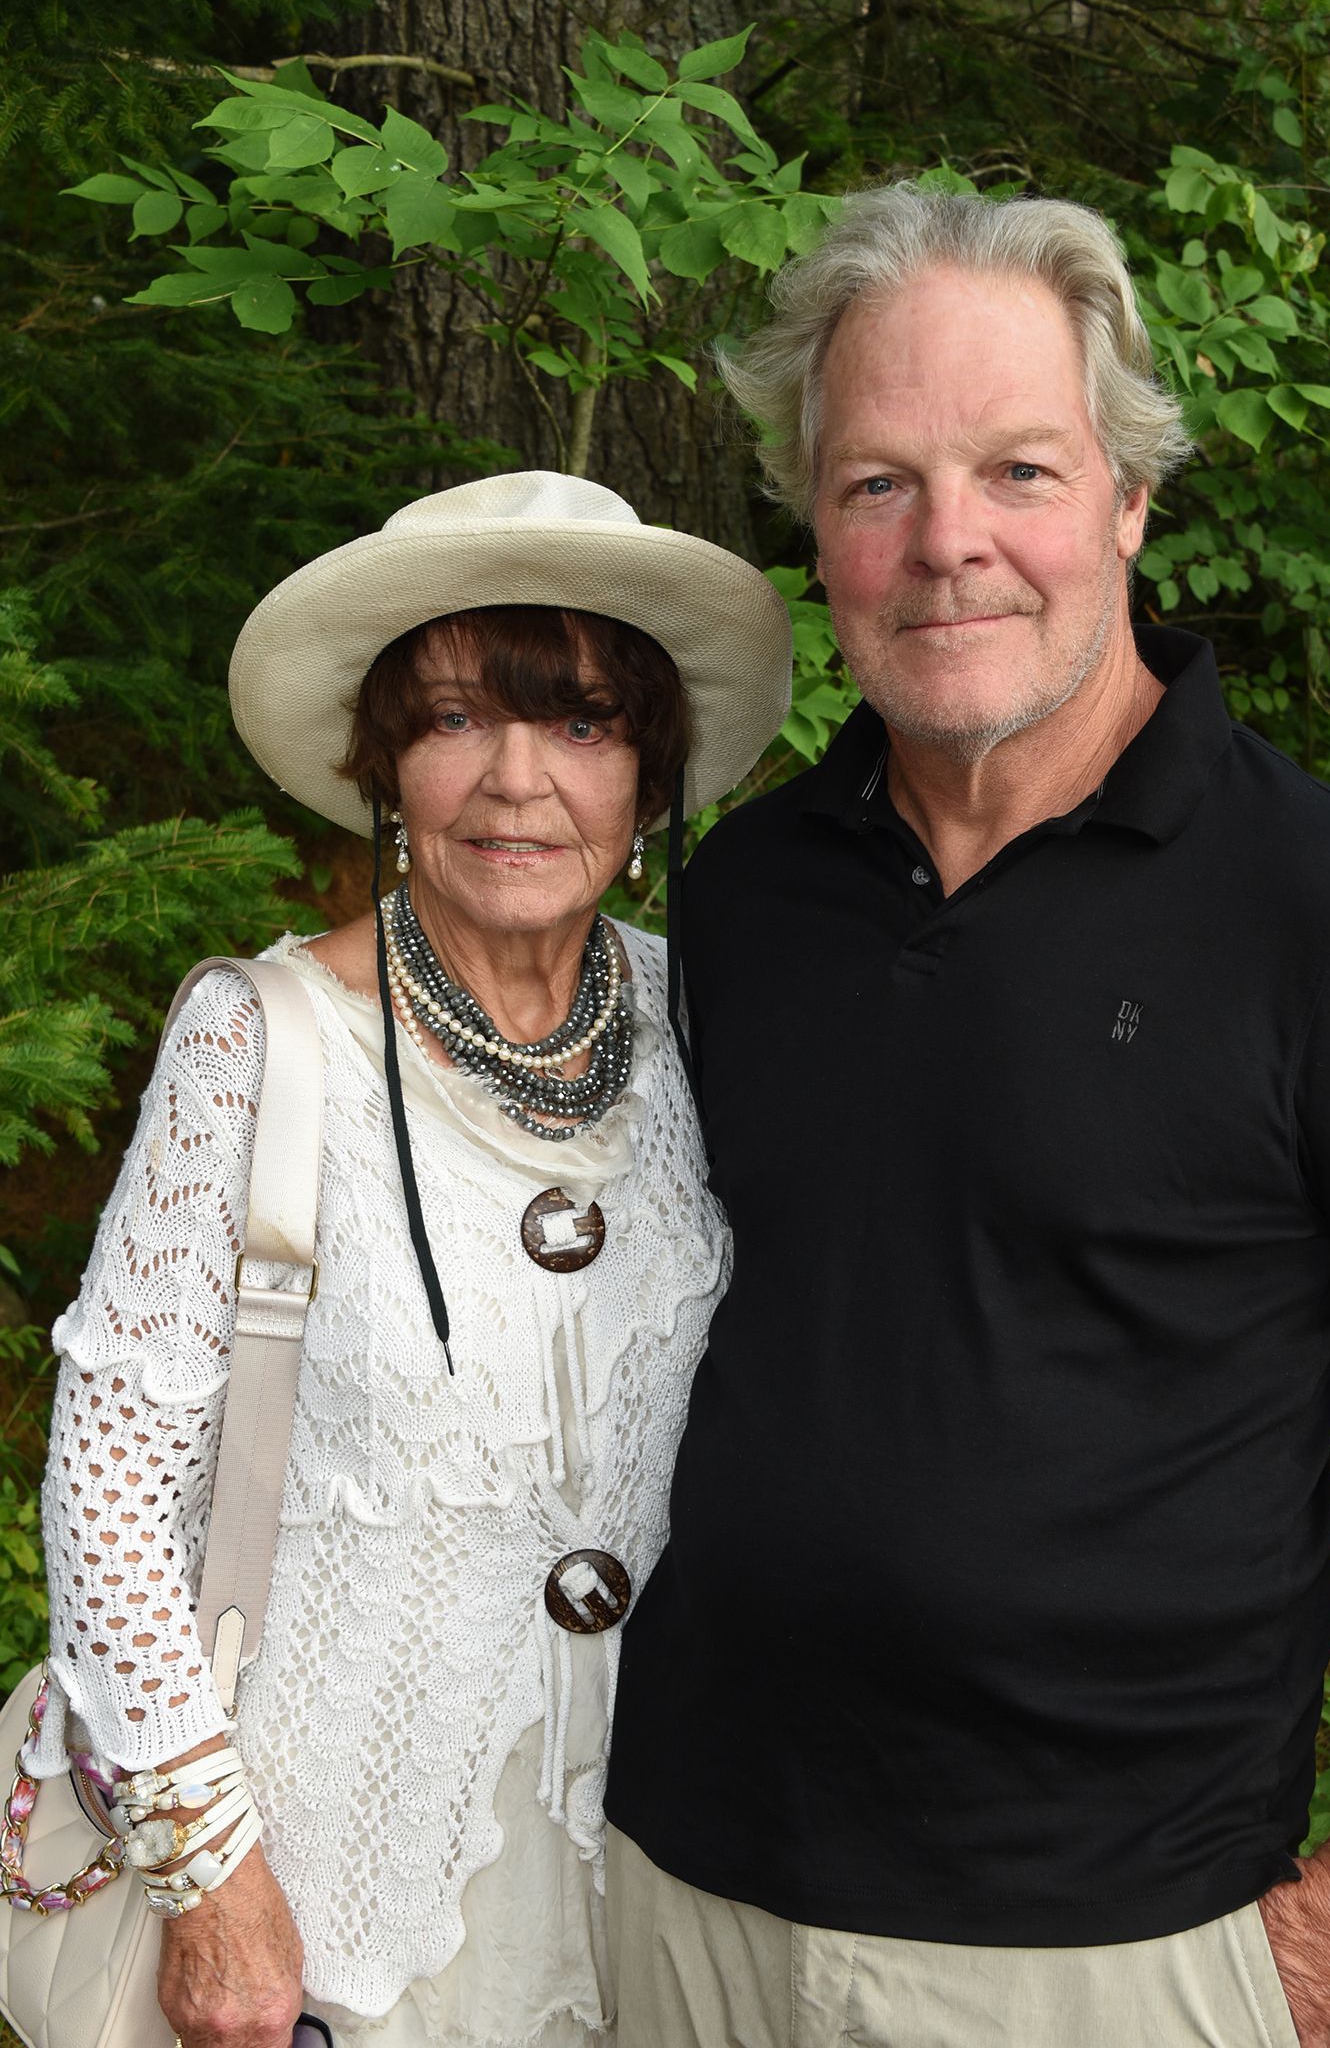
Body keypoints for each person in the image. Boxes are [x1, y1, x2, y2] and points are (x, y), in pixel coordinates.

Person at [603, 185, 1330, 2048]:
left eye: (1018, 469)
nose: (950, 546)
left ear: (1128, 500)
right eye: (877, 485)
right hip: (676, 1901)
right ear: (815, 528)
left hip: (1105, 1954)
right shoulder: (749, 897)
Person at [36, 470, 791, 2048]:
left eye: (581, 724)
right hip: (324, 1920)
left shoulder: (713, 1021)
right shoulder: (262, 1042)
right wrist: (213, 1885)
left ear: (650, 778)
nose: (517, 782)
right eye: (456, 720)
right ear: (386, 769)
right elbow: (108, 1499)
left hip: (658, 1891)